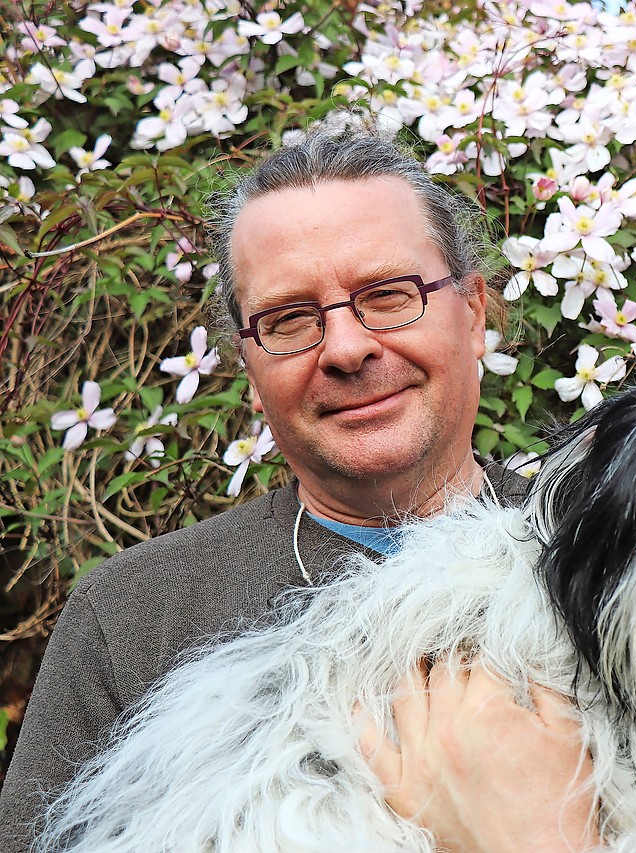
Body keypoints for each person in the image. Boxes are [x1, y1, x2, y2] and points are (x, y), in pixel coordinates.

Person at [0, 112, 598, 852]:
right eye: (288, 318)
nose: (347, 348)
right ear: (249, 369)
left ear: (473, 312)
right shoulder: (129, 619)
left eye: (388, 293)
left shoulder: (610, 568)